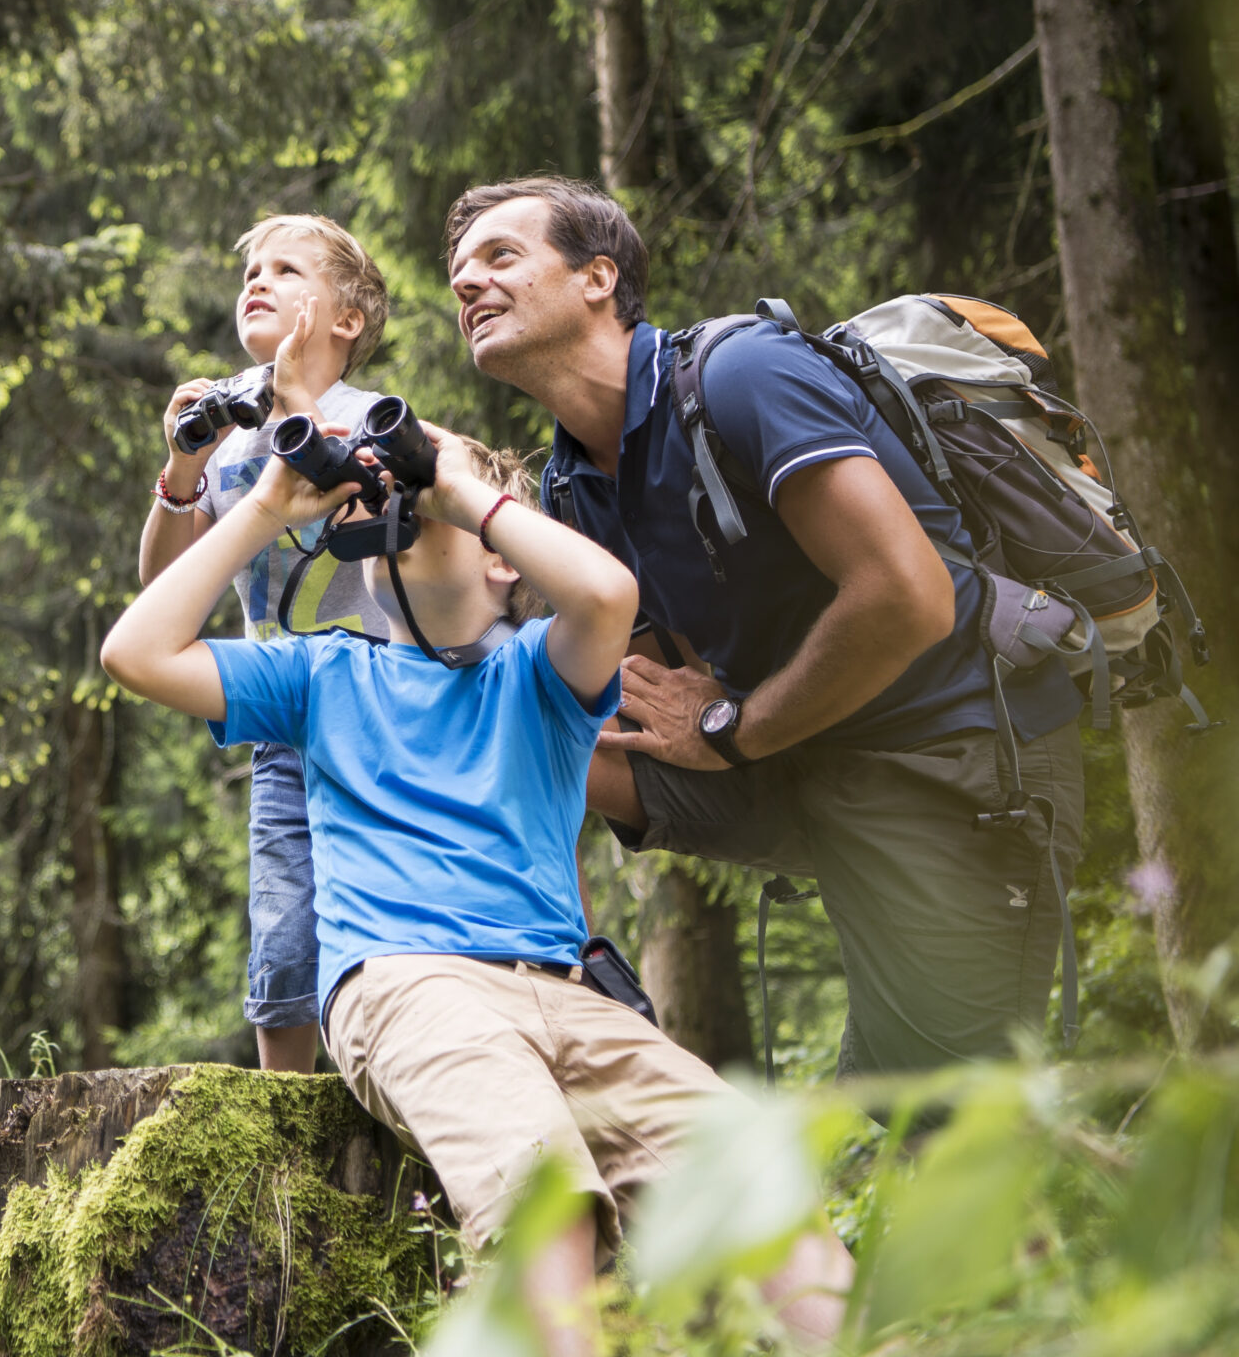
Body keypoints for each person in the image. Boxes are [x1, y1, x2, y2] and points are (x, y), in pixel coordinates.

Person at [100, 420, 853, 1356]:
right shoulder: (324, 674)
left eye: (425, 506)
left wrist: (459, 488)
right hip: (408, 980)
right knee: (543, 1196)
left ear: (500, 558)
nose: (401, 511)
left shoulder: (537, 672)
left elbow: (607, 592)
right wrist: (263, 508)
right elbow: (135, 654)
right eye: (393, 506)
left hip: (568, 995)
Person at [445, 175, 1085, 1076]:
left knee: (940, 1110)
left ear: (597, 277)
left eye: (501, 255)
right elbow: (650, 688)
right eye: (459, 270)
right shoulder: (572, 485)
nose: (467, 280)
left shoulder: (739, 375)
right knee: (521, 720)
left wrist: (734, 729)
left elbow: (910, 595)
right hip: (798, 753)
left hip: (950, 750)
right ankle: (560, 992)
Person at [140, 214, 394, 1074]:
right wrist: (184, 468)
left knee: (380, 919)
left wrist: (292, 403)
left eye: (287, 271)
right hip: (283, 723)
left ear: (347, 319)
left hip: (380, 708)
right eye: (252, 270)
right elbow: (165, 587)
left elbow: (371, 521)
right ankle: (283, 1112)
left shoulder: (370, 418)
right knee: (283, 931)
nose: (258, 280)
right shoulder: (229, 439)